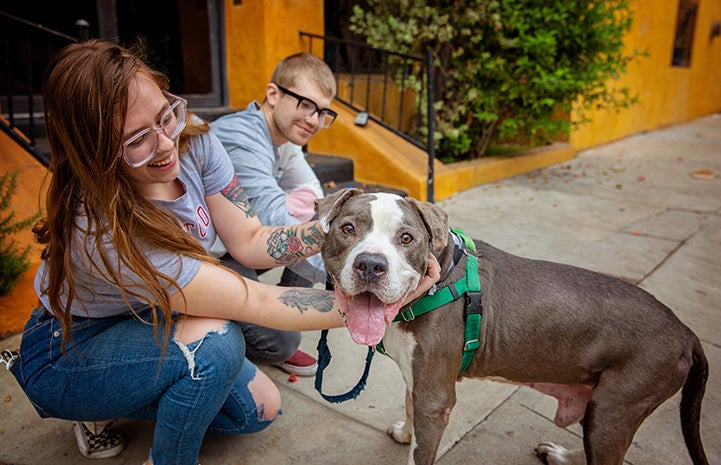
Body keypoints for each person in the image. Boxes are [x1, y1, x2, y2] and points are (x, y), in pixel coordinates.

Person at [7, 40, 439, 465]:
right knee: (216, 345)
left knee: (260, 409)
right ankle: (133, 434)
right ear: (93, 153)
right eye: (136, 139)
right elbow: (255, 299)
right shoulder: (102, 228)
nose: (164, 144)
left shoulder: (192, 138)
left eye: (165, 116)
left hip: (156, 315)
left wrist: (347, 227)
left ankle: (132, 390)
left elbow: (250, 239)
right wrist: (387, 297)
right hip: (74, 343)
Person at [210, 52, 338, 377]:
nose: (314, 120)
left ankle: (258, 314)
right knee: (280, 343)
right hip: (202, 258)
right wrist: (347, 272)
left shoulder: (286, 139)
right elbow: (275, 224)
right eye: (306, 105)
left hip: (238, 244)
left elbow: (319, 204)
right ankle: (215, 332)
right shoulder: (242, 138)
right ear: (273, 94)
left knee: (310, 217)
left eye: (323, 112)